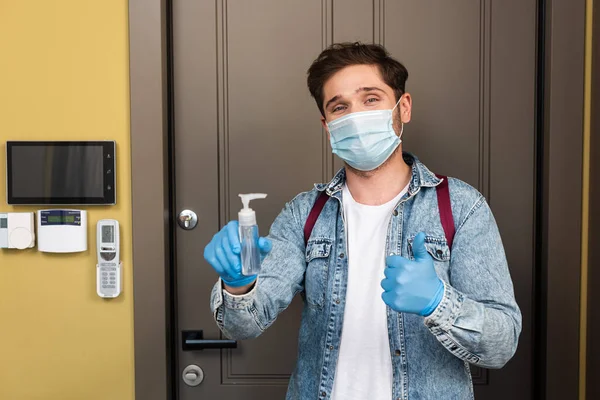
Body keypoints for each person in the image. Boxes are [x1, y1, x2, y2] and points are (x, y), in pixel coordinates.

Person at [204, 42, 521, 400]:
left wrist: (438, 302)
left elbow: (502, 343)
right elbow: (244, 325)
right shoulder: (304, 215)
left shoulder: (461, 207)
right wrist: (237, 287)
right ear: (327, 127)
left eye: (371, 99)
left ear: (404, 108)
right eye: (340, 107)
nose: (355, 116)